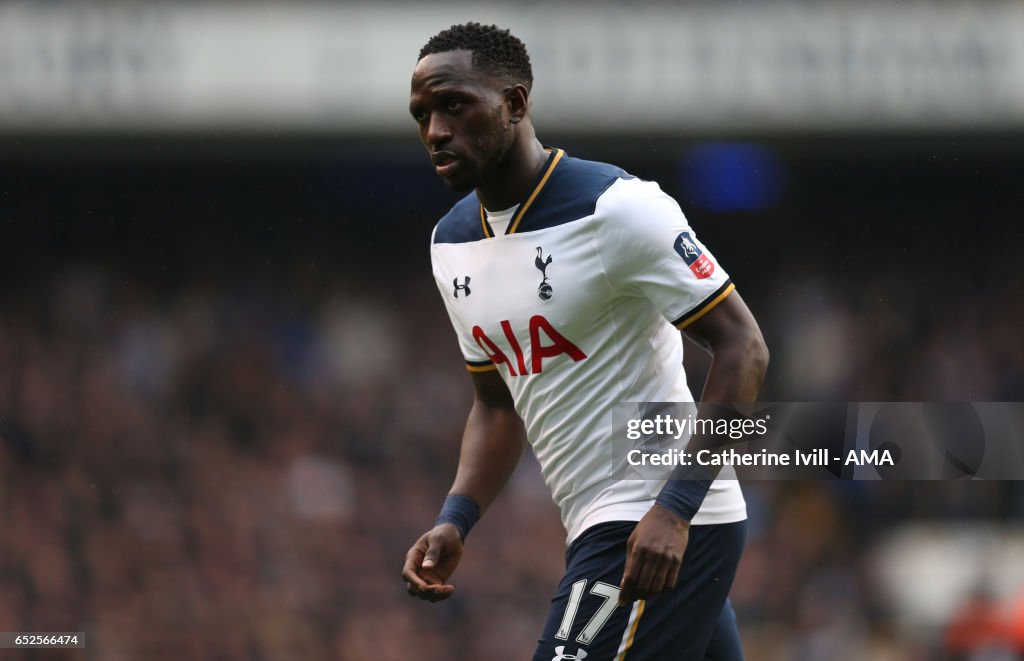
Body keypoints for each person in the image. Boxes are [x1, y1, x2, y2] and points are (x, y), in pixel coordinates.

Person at [401, 22, 769, 660]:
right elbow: (496, 404)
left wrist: (675, 507)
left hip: (658, 514)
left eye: (455, 105)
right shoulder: (450, 244)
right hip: (612, 525)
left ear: (515, 104)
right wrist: (456, 518)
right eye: (423, 114)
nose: (435, 131)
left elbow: (745, 347)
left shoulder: (616, 208)